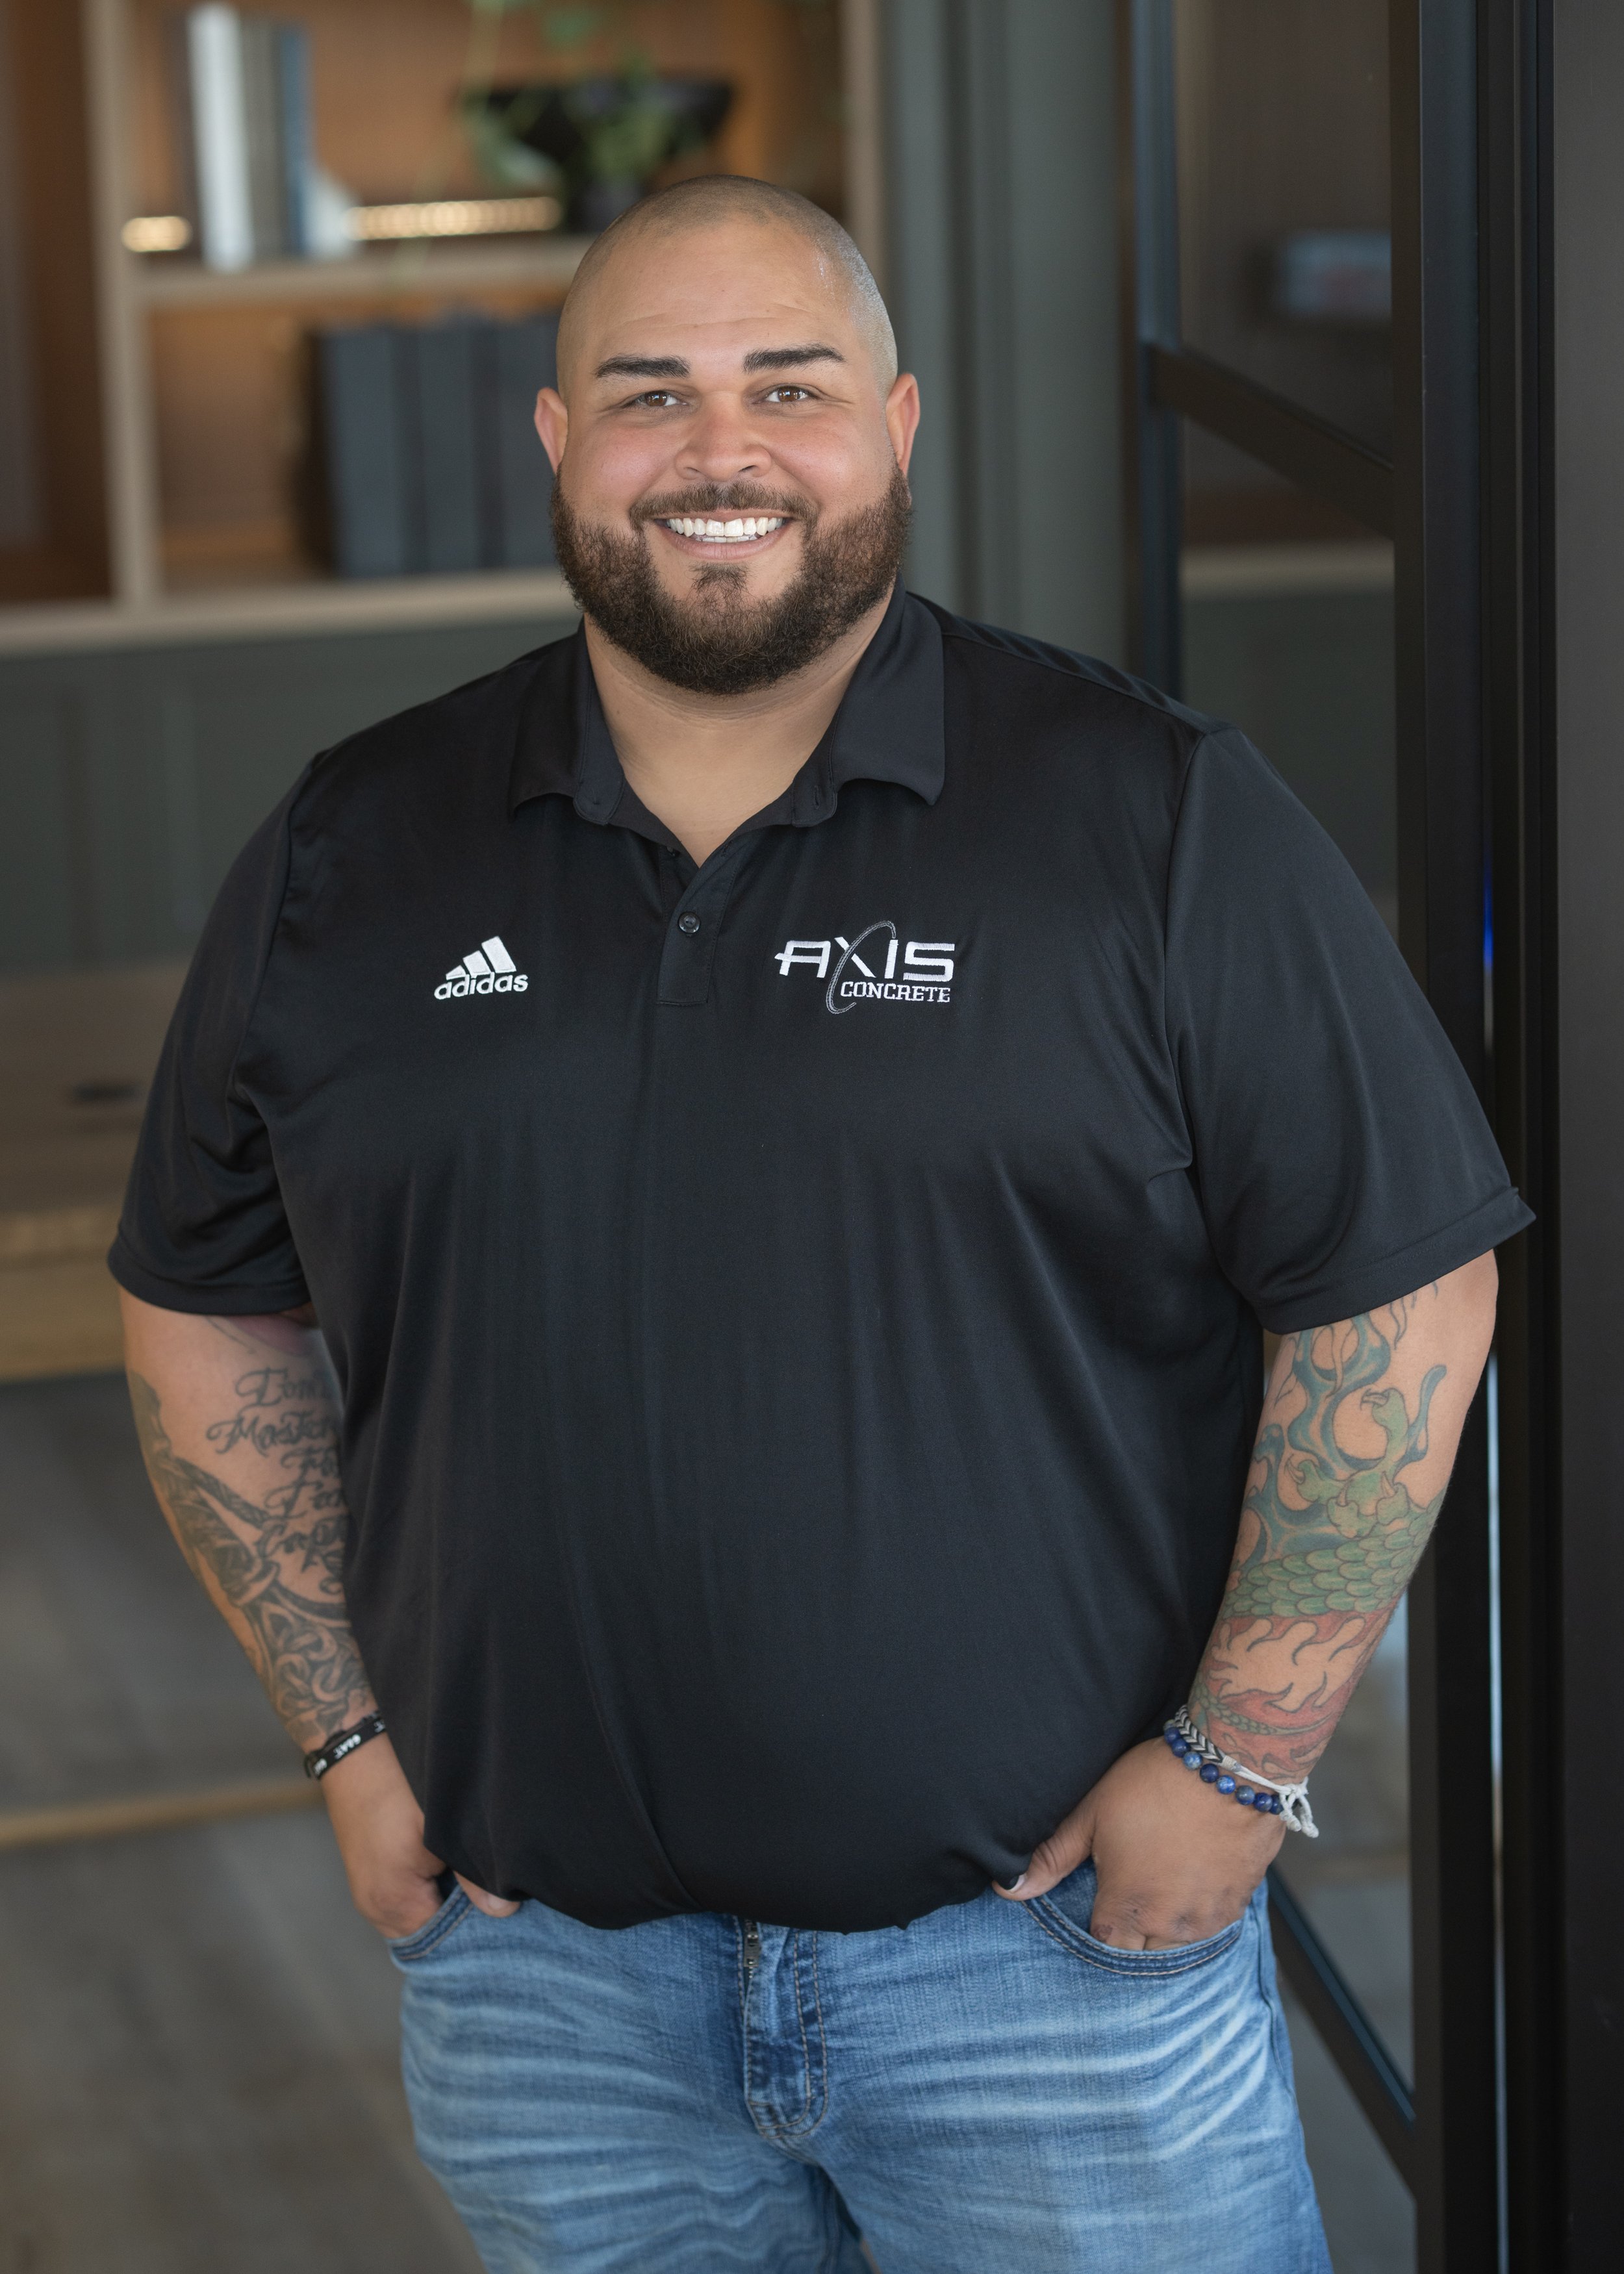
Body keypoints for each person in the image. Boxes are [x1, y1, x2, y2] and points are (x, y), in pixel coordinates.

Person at [112, 176, 1529, 2274]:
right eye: (647, 391)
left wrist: (1238, 1769)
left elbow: (1398, 1292)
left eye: (786, 386)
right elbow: (206, 1306)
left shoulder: (1146, 817)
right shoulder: (352, 841)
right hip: (546, 1993)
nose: (720, 451)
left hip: (1041, 1982)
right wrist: (341, 1730)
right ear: (554, 441)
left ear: (896, 422)